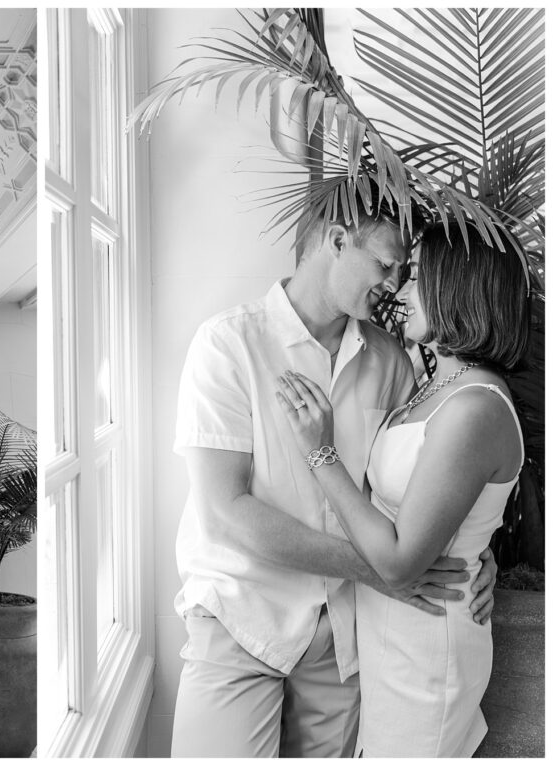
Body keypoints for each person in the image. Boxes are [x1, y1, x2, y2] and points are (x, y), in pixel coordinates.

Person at [170, 191, 497, 758]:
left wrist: (473, 551)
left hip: (345, 641)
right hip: (240, 619)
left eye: (403, 270)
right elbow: (227, 514)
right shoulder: (227, 344)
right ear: (337, 240)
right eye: (385, 264)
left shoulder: (391, 359)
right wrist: (385, 572)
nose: (395, 285)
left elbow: (417, 484)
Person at [275, 222, 527, 756]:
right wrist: (479, 552)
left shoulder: (475, 408)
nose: (401, 291)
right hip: (391, 641)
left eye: (417, 278)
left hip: (428, 649)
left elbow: (397, 562)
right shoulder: (434, 382)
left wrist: (320, 453)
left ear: (457, 288)